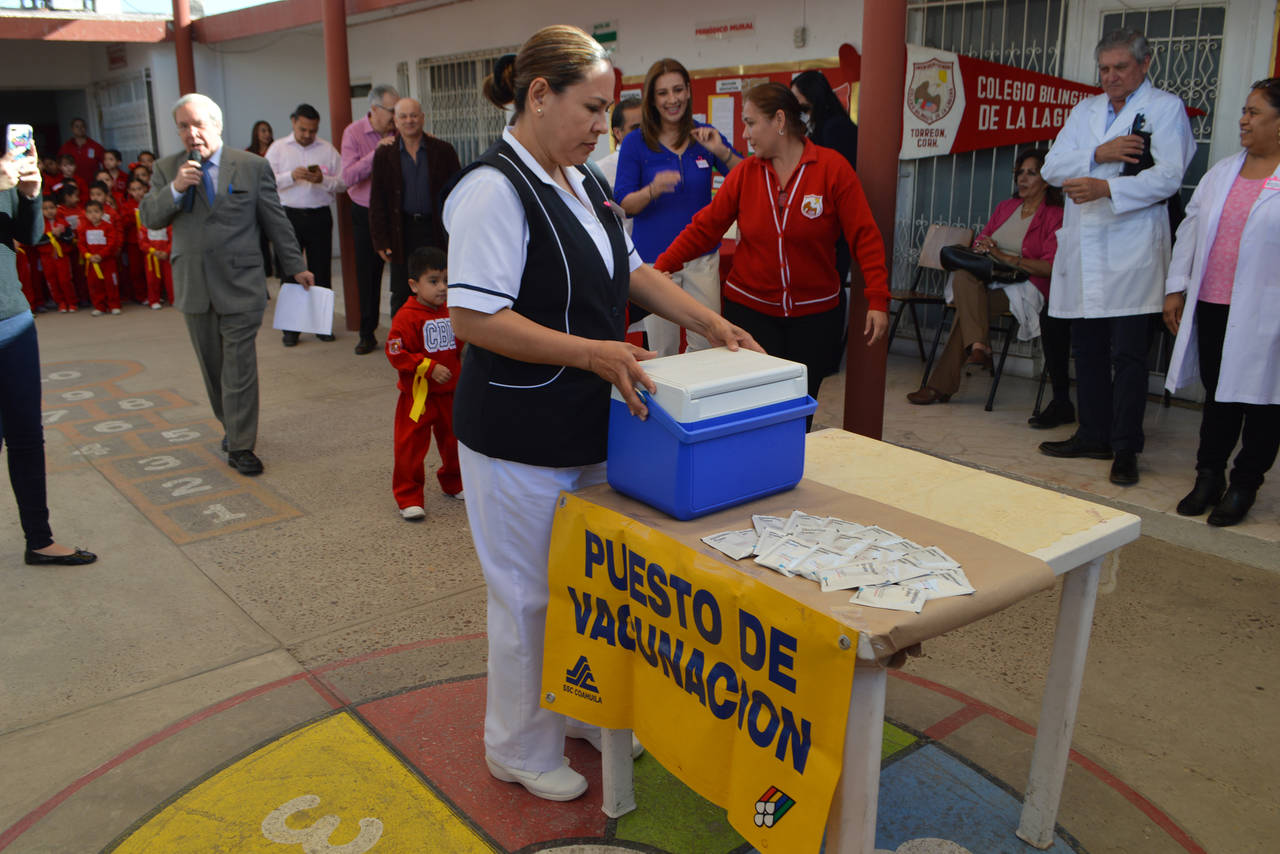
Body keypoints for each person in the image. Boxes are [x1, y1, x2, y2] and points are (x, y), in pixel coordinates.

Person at [445, 24, 758, 802]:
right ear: (539, 95)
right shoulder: (493, 189)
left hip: (588, 424)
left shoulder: (582, 181)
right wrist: (595, 353)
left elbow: (637, 270)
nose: (602, 125)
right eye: (592, 108)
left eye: (609, 109)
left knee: (584, 588)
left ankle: (574, 706)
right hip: (518, 436)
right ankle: (515, 745)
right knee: (525, 595)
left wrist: (713, 323)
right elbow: (476, 319)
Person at [655, 82, 889, 411]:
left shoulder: (831, 168)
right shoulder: (745, 174)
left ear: (779, 120)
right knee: (751, 406)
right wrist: (662, 266)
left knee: (798, 407)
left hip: (815, 316)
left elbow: (864, 234)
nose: (745, 134)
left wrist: (878, 297)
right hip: (751, 312)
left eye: (750, 123)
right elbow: (705, 228)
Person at [1038, 28, 1195, 486]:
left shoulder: (1165, 109)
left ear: (1145, 65)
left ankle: (1126, 447)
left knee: (1128, 355)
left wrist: (1107, 186)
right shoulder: (1085, 111)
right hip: (1085, 246)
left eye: (1120, 67)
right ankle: (1092, 433)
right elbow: (1051, 167)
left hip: (1132, 246)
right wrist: (1098, 154)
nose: (1110, 77)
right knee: (1086, 348)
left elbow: (1168, 177)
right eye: (1104, 69)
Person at [140, 93, 314, 477]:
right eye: (183, 126)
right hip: (194, 285)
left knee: (239, 366)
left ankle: (241, 445)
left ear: (217, 125)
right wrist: (175, 189)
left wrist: (295, 265)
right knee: (213, 368)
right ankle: (231, 425)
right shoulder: (168, 168)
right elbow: (150, 216)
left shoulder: (251, 166)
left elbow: (274, 219)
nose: (191, 133)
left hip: (241, 282)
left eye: (198, 124)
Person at [1162, 78, 1280, 527]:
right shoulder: (1223, 171)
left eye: (1254, 112)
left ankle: (1244, 485)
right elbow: (1190, 228)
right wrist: (1177, 286)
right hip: (1213, 303)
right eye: (1245, 111)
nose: (1243, 120)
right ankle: (1208, 477)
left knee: (1265, 400)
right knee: (1219, 396)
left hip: (1268, 311)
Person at [907, 148, 1071, 422]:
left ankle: (946, 379)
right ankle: (979, 345)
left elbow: (1050, 267)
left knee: (968, 311)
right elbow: (981, 240)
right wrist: (984, 246)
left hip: (1023, 286)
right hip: (988, 278)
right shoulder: (1006, 207)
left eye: (1031, 173)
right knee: (963, 278)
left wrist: (1005, 256)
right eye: (1020, 172)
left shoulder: (1055, 215)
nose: (1023, 178)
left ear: (1047, 178)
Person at [1, 147, 97, 566]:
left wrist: (29, 193)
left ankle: (39, 539)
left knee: (26, 434)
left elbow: (30, 234)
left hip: (12, 317)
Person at [614, 58, 742, 355]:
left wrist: (721, 151)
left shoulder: (705, 135)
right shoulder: (636, 142)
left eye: (678, 90)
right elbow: (624, 205)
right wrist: (652, 190)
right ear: (652, 99)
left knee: (708, 343)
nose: (672, 100)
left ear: (688, 91)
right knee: (663, 350)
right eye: (663, 93)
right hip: (655, 265)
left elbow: (747, 180)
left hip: (701, 259)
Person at [386, 246, 463, 520]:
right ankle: (408, 496)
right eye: (433, 281)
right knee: (409, 448)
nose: (442, 287)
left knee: (454, 442)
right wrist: (427, 367)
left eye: (446, 280)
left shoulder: (451, 311)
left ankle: (454, 483)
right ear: (413, 284)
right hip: (417, 398)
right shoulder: (406, 317)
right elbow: (396, 352)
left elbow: (460, 343)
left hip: (449, 394)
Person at [370, 98, 460, 320]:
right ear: (396, 122)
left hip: (435, 229)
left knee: (441, 285)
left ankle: (445, 340)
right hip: (403, 230)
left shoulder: (444, 150)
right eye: (403, 116)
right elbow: (377, 200)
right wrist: (381, 240)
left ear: (422, 118)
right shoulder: (384, 154)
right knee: (402, 289)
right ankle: (403, 343)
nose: (409, 120)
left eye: (413, 115)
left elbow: (458, 194)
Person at [266, 103, 346, 346]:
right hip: (288, 216)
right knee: (291, 272)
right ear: (293, 123)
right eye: (303, 130)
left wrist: (323, 180)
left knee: (322, 271)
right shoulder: (278, 148)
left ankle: (322, 325)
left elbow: (343, 183)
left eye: (312, 130)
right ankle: (291, 329)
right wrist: (291, 176)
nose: (307, 135)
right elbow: (266, 181)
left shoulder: (327, 149)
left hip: (319, 215)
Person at [341, 84, 400, 355]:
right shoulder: (353, 133)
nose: (395, 116)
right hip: (364, 210)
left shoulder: (398, 131)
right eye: (392, 110)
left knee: (400, 273)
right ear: (374, 109)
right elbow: (349, 177)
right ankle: (367, 332)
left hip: (394, 211)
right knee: (368, 273)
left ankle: (401, 332)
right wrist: (376, 151)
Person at [77, 199, 122, 316]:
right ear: (85, 214)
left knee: (111, 283)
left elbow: (112, 243)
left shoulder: (108, 227)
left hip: (107, 261)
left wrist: (101, 255)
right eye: (90, 212)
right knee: (94, 285)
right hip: (92, 263)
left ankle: (114, 305)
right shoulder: (84, 228)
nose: (93, 215)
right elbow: (81, 244)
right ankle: (99, 306)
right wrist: (88, 255)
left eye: (96, 211)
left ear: (102, 213)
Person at [36, 198, 75, 312]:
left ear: (57, 208)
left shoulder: (63, 222)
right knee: (52, 281)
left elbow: (70, 238)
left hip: (62, 256)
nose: (49, 211)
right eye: (45, 209)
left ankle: (71, 302)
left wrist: (61, 234)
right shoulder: (39, 225)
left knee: (65, 280)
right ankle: (61, 302)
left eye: (52, 208)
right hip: (47, 257)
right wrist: (51, 235)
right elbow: (37, 241)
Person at [247, 123, 276, 279]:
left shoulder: (276, 150)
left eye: (269, 131)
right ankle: (265, 269)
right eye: (263, 131)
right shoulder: (248, 154)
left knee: (277, 232)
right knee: (260, 236)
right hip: (255, 200)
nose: (267, 134)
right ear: (256, 133)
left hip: (274, 197)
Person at [596, 95, 642, 190]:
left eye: (648, 126)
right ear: (618, 133)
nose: (644, 132)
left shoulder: (663, 160)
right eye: (636, 128)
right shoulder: (600, 172)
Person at [56, 118, 103, 188]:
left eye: (82, 126)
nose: (80, 128)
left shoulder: (95, 146)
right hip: (71, 185)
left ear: (85, 128)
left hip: (92, 184)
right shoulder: (65, 148)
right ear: (72, 129)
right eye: (77, 126)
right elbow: (58, 166)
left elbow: (105, 164)